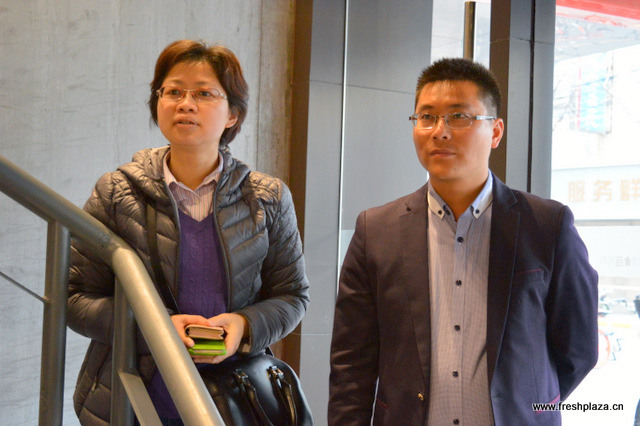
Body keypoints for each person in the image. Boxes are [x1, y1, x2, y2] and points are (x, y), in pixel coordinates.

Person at [328, 58, 598, 425]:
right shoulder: (376, 230)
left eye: (459, 117)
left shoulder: (548, 226)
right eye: (427, 117)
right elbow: (351, 365)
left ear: (496, 132)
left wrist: (526, 402)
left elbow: (578, 350)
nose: (440, 131)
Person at [67, 40, 309, 425]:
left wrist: (243, 326)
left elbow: (292, 295)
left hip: (231, 401)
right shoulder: (115, 192)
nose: (186, 104)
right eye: (173, 92)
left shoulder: (268, 198)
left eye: (204, 93)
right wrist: (155, 328)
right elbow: (76, 297)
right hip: (130, 399)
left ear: (233, 114)